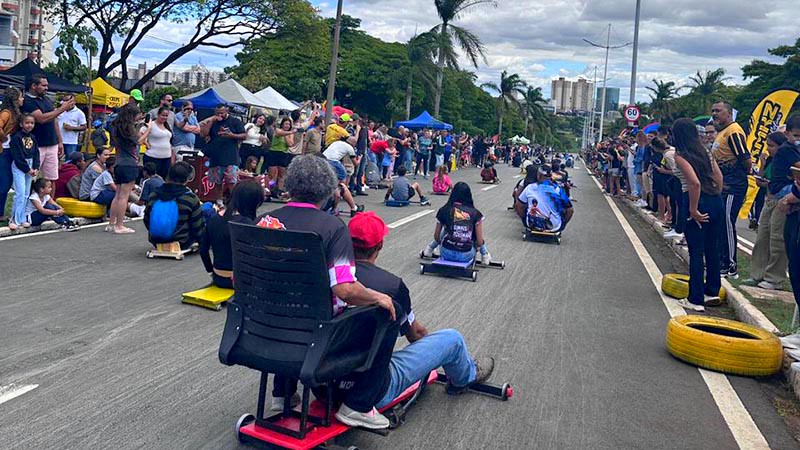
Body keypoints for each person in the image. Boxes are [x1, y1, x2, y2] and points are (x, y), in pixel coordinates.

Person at [253, 155, 395, 427]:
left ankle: (282, 394)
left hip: (263, 327)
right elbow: (344, 289)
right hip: (316, 337)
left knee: (289, 298)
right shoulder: (332, 227)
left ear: (290, 184)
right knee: (388, 313)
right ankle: (359, 405)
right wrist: (379, 297)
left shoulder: (263, 221)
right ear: (329, 189)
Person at [333, 211, 495, 429]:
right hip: (372, 389)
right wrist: (432, 353)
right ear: (379, 245)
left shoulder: (328, 278)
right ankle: (466, 376)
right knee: (452, 340)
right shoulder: (391, 286)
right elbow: (415, 335)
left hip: (326, 382)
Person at [672, 117, 725, 312]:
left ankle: (695, 298)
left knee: (696, 251)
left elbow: (694, 183)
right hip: (715, 200)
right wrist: (715, 195)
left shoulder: (681, 155)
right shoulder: (706, 152)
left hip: (696, 199)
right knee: (712, 248)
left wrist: (693, 209)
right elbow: (719, 176)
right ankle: (712, 291)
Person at [747, 131, 794, 290]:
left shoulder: (788, 157)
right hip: (769, 197)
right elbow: (763, 180)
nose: (769, 149)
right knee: (762, 236)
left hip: (782, 198)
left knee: (777, 238)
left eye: (772, 146)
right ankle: (757, 274)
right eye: (768, 145)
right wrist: (762, 164)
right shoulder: (770, 160)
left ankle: (774, 278)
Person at [711, 101, 751, 279]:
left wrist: (733, 173)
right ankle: (721, 261)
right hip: (723, 184)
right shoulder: (722, 133)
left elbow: (745, 159)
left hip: (733, 185)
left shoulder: (733, 131)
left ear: (728, 113)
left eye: (718, 111)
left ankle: (730, 265)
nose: (714, 114)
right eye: (713, 111)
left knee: (727, 222)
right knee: (720, 222)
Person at [200, 180, 263, 289]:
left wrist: (211, 271)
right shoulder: (247, 224)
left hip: (218, 276)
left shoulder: (214, 218)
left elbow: (203, 249)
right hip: (239, 279)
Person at [23, 74, 75, 188]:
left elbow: (54, 119)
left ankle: (50, 203)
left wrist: (59, 141)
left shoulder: (46, 99)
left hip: (52, 143)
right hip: (36, 144)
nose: (47, 88)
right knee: (31, 176)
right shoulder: (27, 101)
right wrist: (62, 109)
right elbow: (41, 118)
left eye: (47, 85)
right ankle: (31, 202)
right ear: (33, 86)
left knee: (52, 178)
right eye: (43, 85)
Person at [421, 182, 491, 264]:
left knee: (449, 229)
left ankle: (429, 249)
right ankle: (485, 255)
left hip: (446, 253)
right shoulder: (475, 213)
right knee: (473, 232)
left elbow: (437, 236)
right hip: (466, 255)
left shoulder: (444, 210)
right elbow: (479, 242)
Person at [144, 161, 204, 249]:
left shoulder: (154, 194)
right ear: (187, 179)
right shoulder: (190, 198)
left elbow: (147, 219)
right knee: (208, 209)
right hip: (182, 241)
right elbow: (198, 228)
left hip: (156, 241)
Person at [111, 104, 144, 234]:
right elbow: (139, 141)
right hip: (129, 163)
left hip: (118, 163)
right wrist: (148, 129)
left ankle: (112, 223)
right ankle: (120, 225)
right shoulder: (128, 129)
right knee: (124, 196)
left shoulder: (116, 127)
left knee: (118, 195)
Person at [203, 104, 246, 201]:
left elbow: (244, 136)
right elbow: (203, 134)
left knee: (231, 181)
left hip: (230, 157)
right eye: (217, 113)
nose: (220, 115)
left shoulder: (235, 121)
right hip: (216, 157)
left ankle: (234, 202)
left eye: (222, 113)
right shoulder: (213, 122)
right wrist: (210, 121)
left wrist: (232, 135)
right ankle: (219, 202)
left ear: (227, 112)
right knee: (217, 182)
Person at [515, 165, 574, 232]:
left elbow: (518, 205)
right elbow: (570, 210)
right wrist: (563, 223)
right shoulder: (557, 190)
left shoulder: (530, 187)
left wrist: (523, 218)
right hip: (554, 226)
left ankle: (528, 223)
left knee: (523, 204)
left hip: (531, 224)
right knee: (563, 208)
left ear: (538, 175)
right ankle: (557, 225)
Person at [7, 114, 39, 230]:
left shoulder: (33, 137)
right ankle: (14, 219)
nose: (30, 125)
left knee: (26, 194)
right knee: (19, 193)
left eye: (32, 123)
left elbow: (36, 153)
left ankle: (22, 218)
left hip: (30, 165)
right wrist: (27, 169)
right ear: (21, 124)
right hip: (20, 166)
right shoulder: (16, 138)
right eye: (27, 123)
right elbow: (17, 156)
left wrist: (35, 167)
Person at [0, 86, 23, 221]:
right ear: (14, 99)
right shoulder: (7, 113)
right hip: (4, 151)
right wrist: (3, 137)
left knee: (6, 183)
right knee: (4, 182)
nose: (22, 99)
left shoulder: (13, 113)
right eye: (20, 97)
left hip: (8, 150)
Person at [140, 105, 174, 179]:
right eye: (163, 115)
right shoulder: (151, 124)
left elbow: (169, 142)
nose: (164, 117)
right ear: (158, 114)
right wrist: (146, 143)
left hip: (166, 158)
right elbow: (140, 133)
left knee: (164, 179)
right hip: (153, 157)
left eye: (166, 116)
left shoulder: (167, 126)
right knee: (152, 179)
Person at [265, 117, 295, 197]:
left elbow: (290, 144)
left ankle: (279, 191)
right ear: (282, 124)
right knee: (272, 174)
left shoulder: (290, 134)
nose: (287, 126)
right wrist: (286, 133)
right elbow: (279, 134)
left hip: (284, 154)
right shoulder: (277, 130)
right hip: (274, 152)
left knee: (282, 175)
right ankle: (271, 189)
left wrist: (287, 134)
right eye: (286, 124)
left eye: (289, 124)